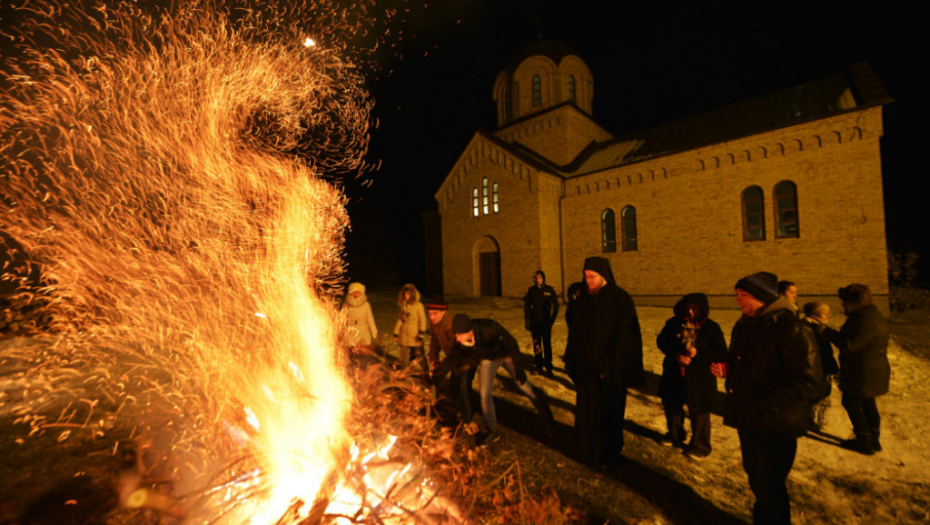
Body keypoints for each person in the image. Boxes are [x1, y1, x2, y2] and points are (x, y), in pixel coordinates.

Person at [724, 272, 822, 525]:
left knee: (770, 488)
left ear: (762, 297)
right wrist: (728, 370)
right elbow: (742, 362)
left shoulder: (792, 329)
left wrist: (762, 405)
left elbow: (809, 384)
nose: (738, 300)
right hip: (750, 419)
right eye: (737, 295)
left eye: (743, 295)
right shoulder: (744, 326)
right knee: (757, 481)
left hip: (777, 424)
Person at [563, 256, 644, 468]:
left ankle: (609, 455)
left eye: (592, 277)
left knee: (609, 415)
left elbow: (626, 336)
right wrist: (572, 359)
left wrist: (609, 365)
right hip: (586, 370)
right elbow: (575, 330)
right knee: (586, 413)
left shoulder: (621, 299)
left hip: (609, 372)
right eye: (586, 276)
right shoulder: (583, 298)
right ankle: (584, 450)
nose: (588, 281)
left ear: (604, 276)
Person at [451, 314, 554, 443]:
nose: (456, 337)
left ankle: (548, 419)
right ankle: (492, 429)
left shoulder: (489, 328)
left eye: (459, 334)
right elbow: (452, 358)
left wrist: (518, 368)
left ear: (468, 331)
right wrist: (436, 376)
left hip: (506, 354)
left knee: (524, 386)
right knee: (484, 394)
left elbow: (511, 343)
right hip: (488, 358)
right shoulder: (461, 341)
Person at [656, 293, 728, 459]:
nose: (690, 311)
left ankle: (700, 445)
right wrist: (675, 353)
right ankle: (675, 435)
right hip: (674, 373)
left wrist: (698, 354)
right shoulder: (673, 324)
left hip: (700, 378)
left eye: (695, 308)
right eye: (688, 307)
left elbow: (721, 352)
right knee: (672, 404)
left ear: (703, 309)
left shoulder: (711, 328)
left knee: (699, 411)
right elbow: (662, 341)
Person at [824, 284, 890, 455]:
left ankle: (864, 442)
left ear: (855, 303)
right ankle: (873, 440)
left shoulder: (866, 322)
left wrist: (826, 332)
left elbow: (849, 345)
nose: (842, 305)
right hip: (871, 369)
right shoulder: (870, 317)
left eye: (845, 301)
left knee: (851, 403)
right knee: (867, 402)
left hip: (863, 372)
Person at [425, 296, 475, 425]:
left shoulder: (452, 325)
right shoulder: (434, 323)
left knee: (463, 388)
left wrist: (442, 368)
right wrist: (433, 359)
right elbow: (434, 341)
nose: (431, 317)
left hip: (466, 359)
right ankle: (457, 411)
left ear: (444, 312)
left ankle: (467, 419)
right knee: (454, 388)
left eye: (435, 313)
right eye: (429, 313)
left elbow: (457, 351)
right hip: (453, 359)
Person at [801, 301, 840, 432]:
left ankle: (819, 419)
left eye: (828, 312)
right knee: (814, 395)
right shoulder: (808, 328)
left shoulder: (821, 328)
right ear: (813, 313)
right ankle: (811, 420)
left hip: (824, 368)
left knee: (824, 394)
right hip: (813, 368)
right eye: (823, 312)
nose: (827, 315)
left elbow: (827, 352)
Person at [523, 270, 560, 377]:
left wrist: (551, 320)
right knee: (537, 345)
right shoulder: (532, 291)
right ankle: (539, 366)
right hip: (535, 323)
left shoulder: (549, 290)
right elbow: (527, 306)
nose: (538, 280)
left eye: (539, 278)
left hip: (546, 323)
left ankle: (548, 367)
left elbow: (556, 306)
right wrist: (527, 320)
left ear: (543, 279)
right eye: (536, 278)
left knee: (547, 345)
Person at [393, 283, 428, 373]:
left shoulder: (418, 306)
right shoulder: (404, 305)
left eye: (408, 294)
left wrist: (421, 333)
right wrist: (396, 332)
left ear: (412, 294)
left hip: (415, 336)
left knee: (419, 356)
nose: (406, 296)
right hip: (405, 335)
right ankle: (405, 373)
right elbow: (401, 319)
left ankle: (426, 373)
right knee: (404, 357)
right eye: (405, 294)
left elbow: (422, 320)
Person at [342, 282, 378, 352]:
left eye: (358, 292)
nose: (355, 294)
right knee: (351, 353)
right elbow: (342, 319)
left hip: (363, 332)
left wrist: (375, 333)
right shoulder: (346, 305)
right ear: (350, 293)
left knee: (364, 352)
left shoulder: (366, 305)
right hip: (351, 333)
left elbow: (370, 319)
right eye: (353, 292)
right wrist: (341, 333)